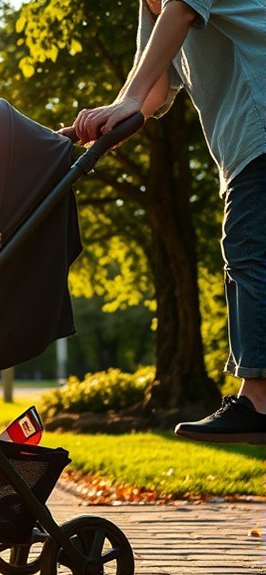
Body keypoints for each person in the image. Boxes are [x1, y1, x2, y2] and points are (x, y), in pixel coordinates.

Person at [68, 0, 266, 444]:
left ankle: (259, 399)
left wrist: (128, 100)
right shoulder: (152, 8)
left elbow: (181, 13)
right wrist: (109, 122)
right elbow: (155, 83)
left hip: (260, 130)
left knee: (249, 251)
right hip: (244, 145)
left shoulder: (173, 7)